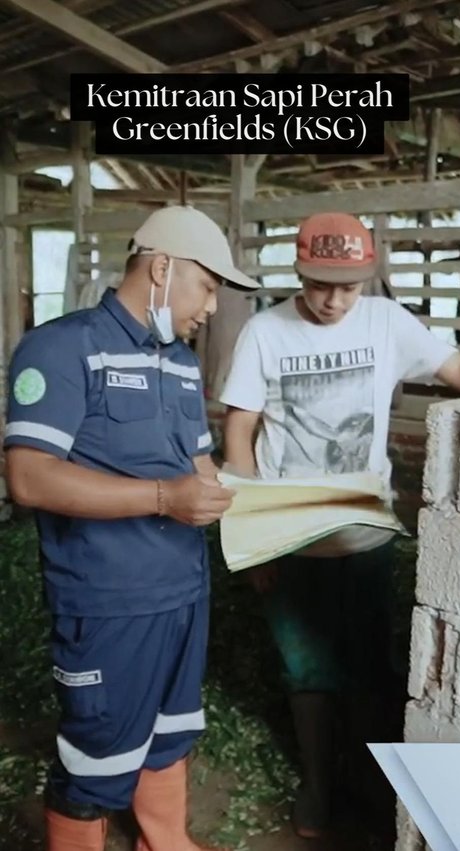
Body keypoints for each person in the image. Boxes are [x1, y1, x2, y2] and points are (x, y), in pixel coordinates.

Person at [4, 205, 260, 851]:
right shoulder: (61, 347)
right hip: (111, 601)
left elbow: (200, 467)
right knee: (98, 754)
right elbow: (29, 478)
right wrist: (161, 497)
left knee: (172, 729)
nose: (211, 306)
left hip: (182, 591)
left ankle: (164, 840)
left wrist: (265, 504)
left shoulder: (178, 361)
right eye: (207, 286)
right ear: (163, 266)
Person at [220, 212, 460, 839]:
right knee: (306, 666)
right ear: (298, 273)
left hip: (365, 531)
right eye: (318, 285)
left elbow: (457, 372)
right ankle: (317, 784)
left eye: (349, 286)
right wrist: (256, 541)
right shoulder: (264, 332)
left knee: (370, 661)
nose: (334, 300)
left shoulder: (387, 322)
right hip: (293, 536)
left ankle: (367, 779)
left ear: (367, 278)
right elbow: (239, 434)